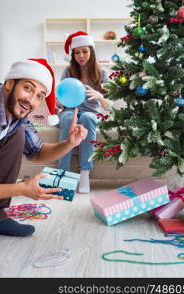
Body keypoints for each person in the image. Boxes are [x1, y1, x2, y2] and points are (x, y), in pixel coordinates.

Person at [0, 58, 87, 242]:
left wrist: (70, 143)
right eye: (28, 88)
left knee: (18, 133)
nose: (31, 100)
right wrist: (21, 188)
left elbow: (37, 152)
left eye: (40, 95)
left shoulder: (16, 113)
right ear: (9, 84)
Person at [57, 31, 112, 194]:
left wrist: (100, 96)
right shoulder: (68, 71)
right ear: (73, 54)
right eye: (77, 52)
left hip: (91, 114)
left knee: (88, 118)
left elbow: (109, 106)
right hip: (69, 111)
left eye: (85, 51)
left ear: (92, 52)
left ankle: (85, 174)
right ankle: (63, 175)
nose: (81, 55)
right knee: (68, 119)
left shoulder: (102, 73)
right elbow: (61, 98)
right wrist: (58, 103)